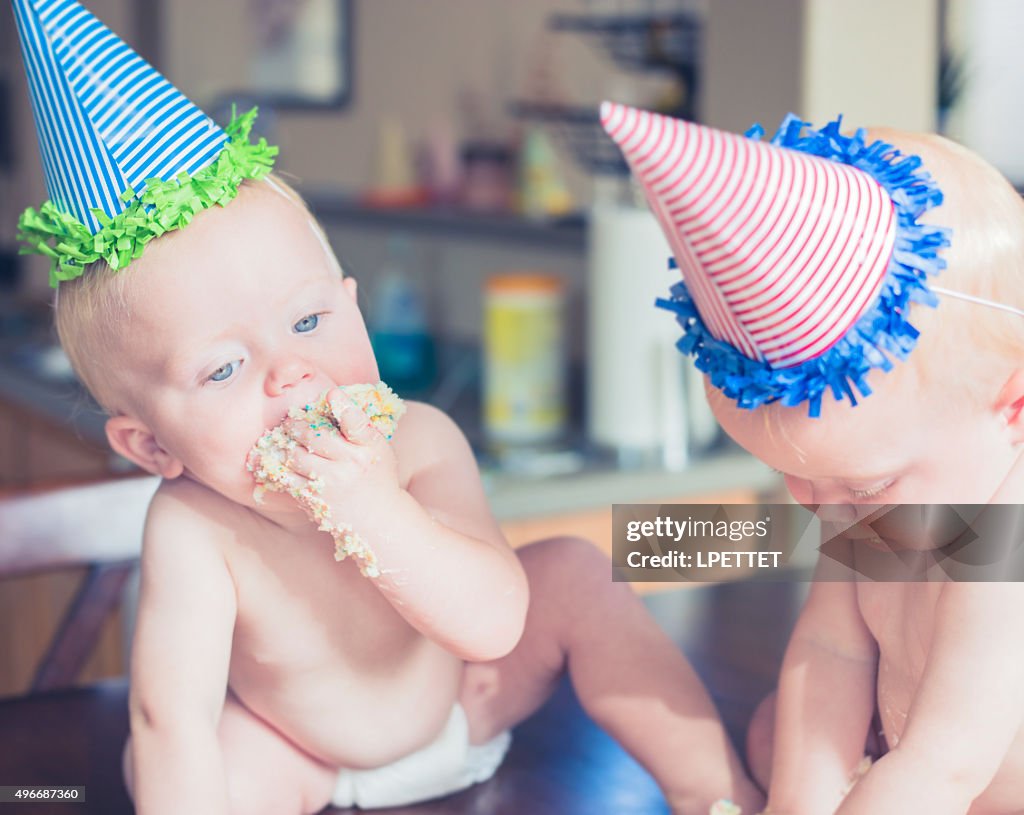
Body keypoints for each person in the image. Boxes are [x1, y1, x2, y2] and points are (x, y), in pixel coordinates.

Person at [12, 3, 762, 813]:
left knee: (576, 573)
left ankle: (716, 789)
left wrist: (373, 505)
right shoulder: (193, 528)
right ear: (152, 445)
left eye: (307, 322)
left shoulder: (425, 439)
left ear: (354, 307)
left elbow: (494, 625)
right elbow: (172, 717)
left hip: (468, 702)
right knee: (166, 760)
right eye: (224, 367)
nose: (290, 373)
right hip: (302, 756)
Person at [603, 101, 1024, 814]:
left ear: (1015, 406)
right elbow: (833, 649)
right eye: (793, 476)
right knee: (781, 731)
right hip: (910, 763)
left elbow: (945, 763)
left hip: (959, 777)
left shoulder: (1007, 548)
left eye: (866, 482)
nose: (821, 506)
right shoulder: (877, 498)